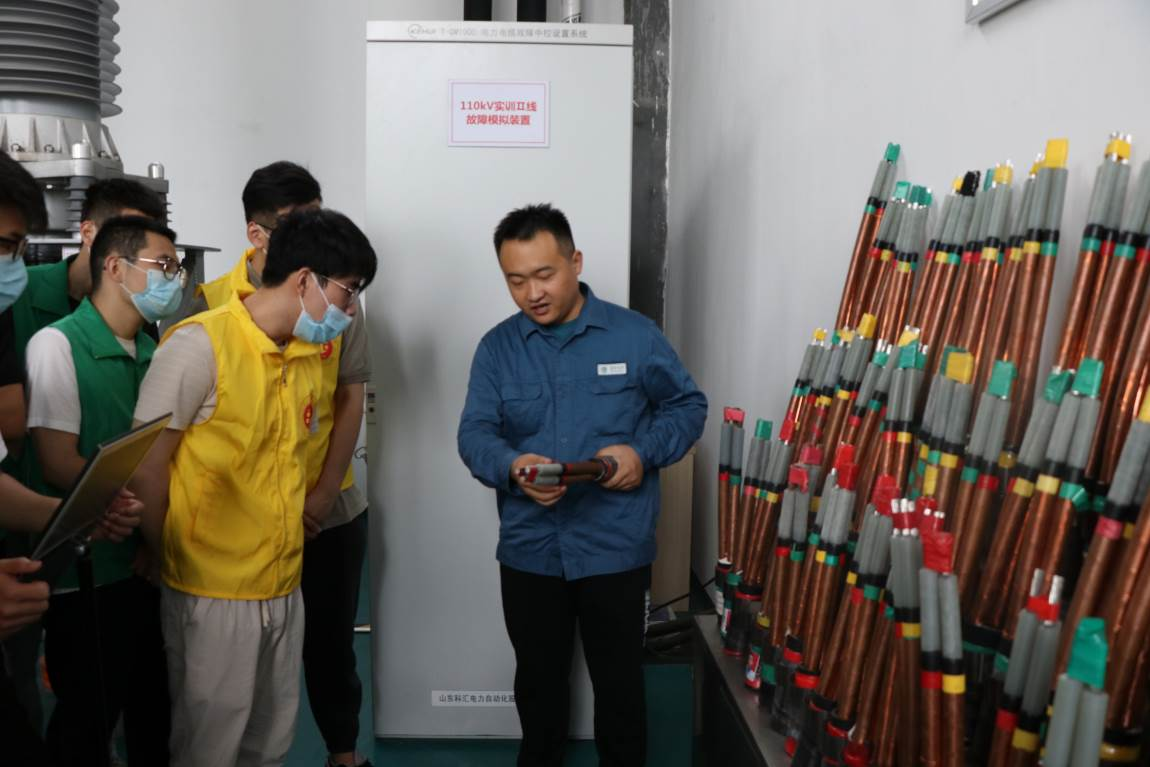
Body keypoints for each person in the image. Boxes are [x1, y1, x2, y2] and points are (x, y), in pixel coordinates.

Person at [457, 203, 708, 766]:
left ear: (575, 262)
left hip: (615, 548)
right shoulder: (498, 348)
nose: (532, 293)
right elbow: (474, 433)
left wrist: (642, 453)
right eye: (515, 280)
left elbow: (687, 406)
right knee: (538, 688)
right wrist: (513, 466)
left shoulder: (634, 336)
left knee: (619, 690)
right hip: (530, 550)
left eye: (544, 274)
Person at [131, 208, 377, 767]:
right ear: (305, 280)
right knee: (210, 745)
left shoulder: (304, 355)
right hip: (212, 591)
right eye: (347, 292)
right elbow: (147, 468)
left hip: (283, 583)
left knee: (268, 743)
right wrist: (164, 550)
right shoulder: (199, 346)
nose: (349, 311)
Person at [0, 149, 143, 764]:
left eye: (17, 247)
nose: (10, 264)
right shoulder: (36, 318)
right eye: (5, 244)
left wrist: (79, 513)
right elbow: (23, 431)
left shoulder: (141, 334)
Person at [25, 215, 180, 764]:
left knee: (155, 714)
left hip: (148, 560)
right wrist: (119, 505)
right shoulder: (58, 344)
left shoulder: (156, 350)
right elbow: (56, 460)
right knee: (87, 720)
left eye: (178, 267)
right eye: (164, 266)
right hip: (87, 571)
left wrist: (153, 538)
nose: (175, 278)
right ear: (114, 266)